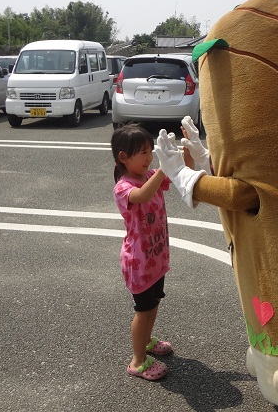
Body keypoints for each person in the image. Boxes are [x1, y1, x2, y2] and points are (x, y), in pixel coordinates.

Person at [111, 123, 174, 381]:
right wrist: (163, 167)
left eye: (151, 151)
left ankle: (147, 341)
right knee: (143, 310)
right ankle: (137, 360)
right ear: (123, 158)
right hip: (139, 261)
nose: (150, 157)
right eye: (144, 152)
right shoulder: (124, 187)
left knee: (154, 303)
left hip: (156, 257)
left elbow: (175, 176)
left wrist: (183, 156)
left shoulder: (149, 175)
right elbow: (144, 195)